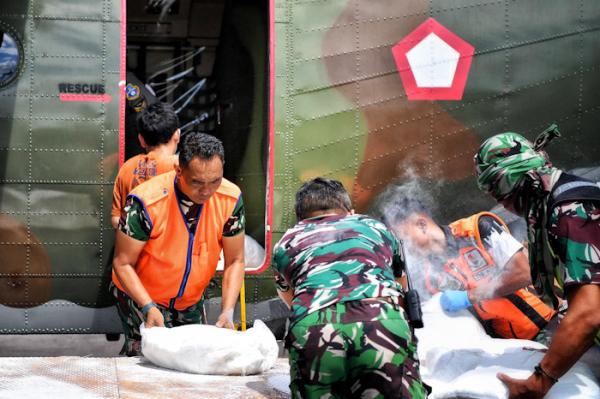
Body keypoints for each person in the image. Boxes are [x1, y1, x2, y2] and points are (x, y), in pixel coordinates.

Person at [272, 177, 428, 399]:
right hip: (381, 318)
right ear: (350, 211)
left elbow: (290, 296)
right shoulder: (376, 227)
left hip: (314, 327)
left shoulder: (287, 241)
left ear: (301, 218)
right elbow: (400, 286)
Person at [474, 125, 600, 398]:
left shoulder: (570, 210)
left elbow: (589, 314)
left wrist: (539, 382)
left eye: (500, 187)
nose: (501, 201)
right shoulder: (552, 204)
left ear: (522, 175)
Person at [111, 132, 246, 356]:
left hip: (190, 300)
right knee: (145, 358)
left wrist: (227, 311)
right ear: (179, 170)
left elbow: (235, 260)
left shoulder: (230, 198)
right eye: (197, 182)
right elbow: (122, 263)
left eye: (215, 181)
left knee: (192, 358)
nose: (206, 191)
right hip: (141, 295)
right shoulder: (145, 201)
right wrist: (147, 306)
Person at [374, 191, 555, 341]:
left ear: (421, 224)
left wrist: (469, 296)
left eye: (402, 238)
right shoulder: (431, 278)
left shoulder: (478, 229)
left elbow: (525, 272)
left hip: (548, 324)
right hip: (512, 346)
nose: (402, 247)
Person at [111, 102, 180, 228]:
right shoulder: (183, 167)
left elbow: (116, 219)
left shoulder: (127, 167)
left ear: (141, 140)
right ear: (177, 135)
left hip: (135, 246)